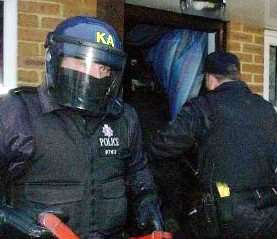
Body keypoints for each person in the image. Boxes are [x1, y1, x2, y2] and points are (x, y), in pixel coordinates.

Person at [0, 16, 163, 238]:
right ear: (55, 60)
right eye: (81, 63)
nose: (94, 75)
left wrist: (147, 199)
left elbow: (137, 169)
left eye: (103, 67)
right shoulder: (16, 112)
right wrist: (8, 219)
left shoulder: (124, 117)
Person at [147, 51, 277, 239]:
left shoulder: (203, 107)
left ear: (210, 78)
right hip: (271, 211)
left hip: (228, 215)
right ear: (237, 75)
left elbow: (164, 144)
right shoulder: (265, 107)